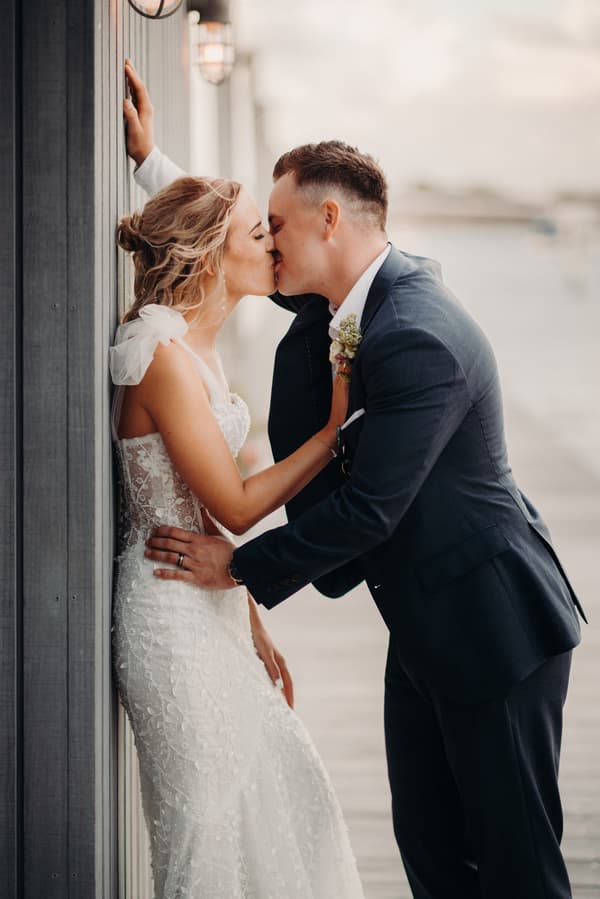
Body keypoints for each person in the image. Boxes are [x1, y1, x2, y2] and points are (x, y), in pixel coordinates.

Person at [124, 61, 585, 899]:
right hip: (422, 627)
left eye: (277, 226)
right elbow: (220, 248)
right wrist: (154, 166)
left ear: (327, 219)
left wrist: (238, 567)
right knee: (433, 857)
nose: (269, 244)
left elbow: (372, 507)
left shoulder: (415, 331)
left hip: (493, 632)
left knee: (517, 869)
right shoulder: (339, 299)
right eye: (262, 230)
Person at [110, 163, 366, 896]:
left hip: (212, 601)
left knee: (286, 788)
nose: (274, 244)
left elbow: (199, 517)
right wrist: (332, 432)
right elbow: (236, 507)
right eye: (259, 234)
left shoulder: (201, 349)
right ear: (212, 258)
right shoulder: (161, 358)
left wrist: (251, 618)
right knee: (207, 823)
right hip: (168, 613)